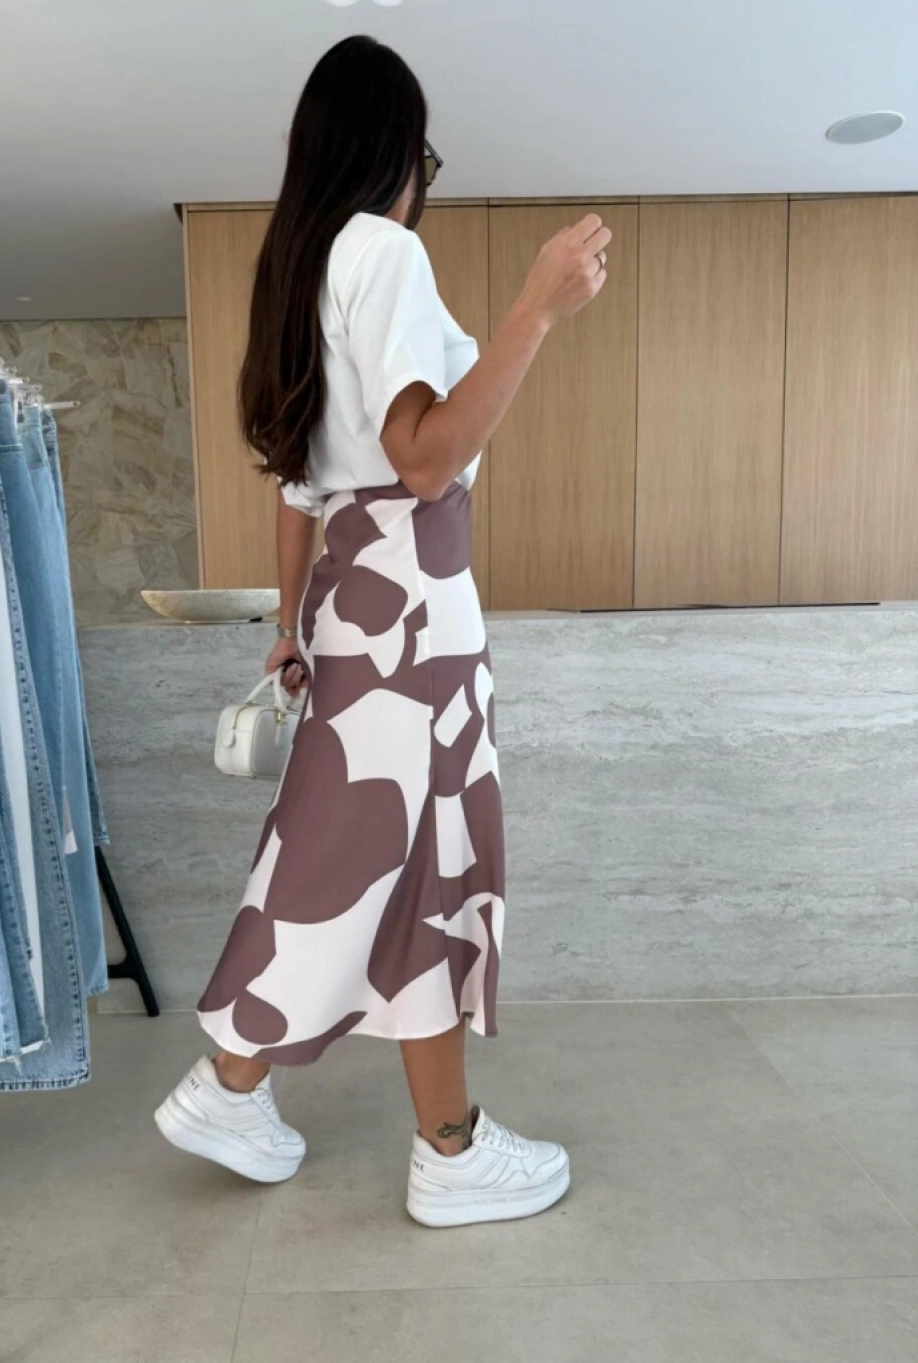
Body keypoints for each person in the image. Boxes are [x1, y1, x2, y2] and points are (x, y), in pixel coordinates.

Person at [156, 34, 610, 1228]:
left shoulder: (298, 273)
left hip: (351, 601)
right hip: (412, 600)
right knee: (403, 858)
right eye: (424, 157)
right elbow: (424, 459)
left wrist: (291, 627)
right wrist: (534, 309)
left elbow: (298, 489)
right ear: (394, 151)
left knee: (378, 859)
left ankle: (299, 1103)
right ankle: (385, 1130)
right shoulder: (384, 252)